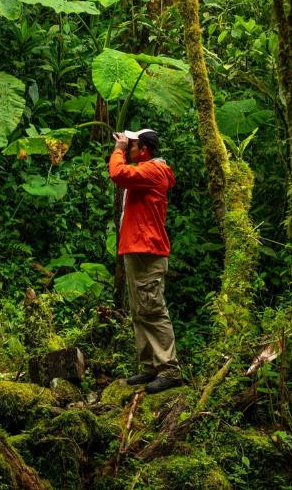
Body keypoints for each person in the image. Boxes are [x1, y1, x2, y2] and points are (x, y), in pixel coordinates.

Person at [108, 128, 182, 394]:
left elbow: (118, 173)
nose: (129, 148)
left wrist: (118, 150)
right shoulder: (145, 171)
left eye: (133, 144)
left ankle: (169, 369)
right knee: (140, 310)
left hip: (148, 250)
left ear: (146, 149)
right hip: (136, 248)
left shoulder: (155, 170)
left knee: (152, 308)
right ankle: (151, 366)